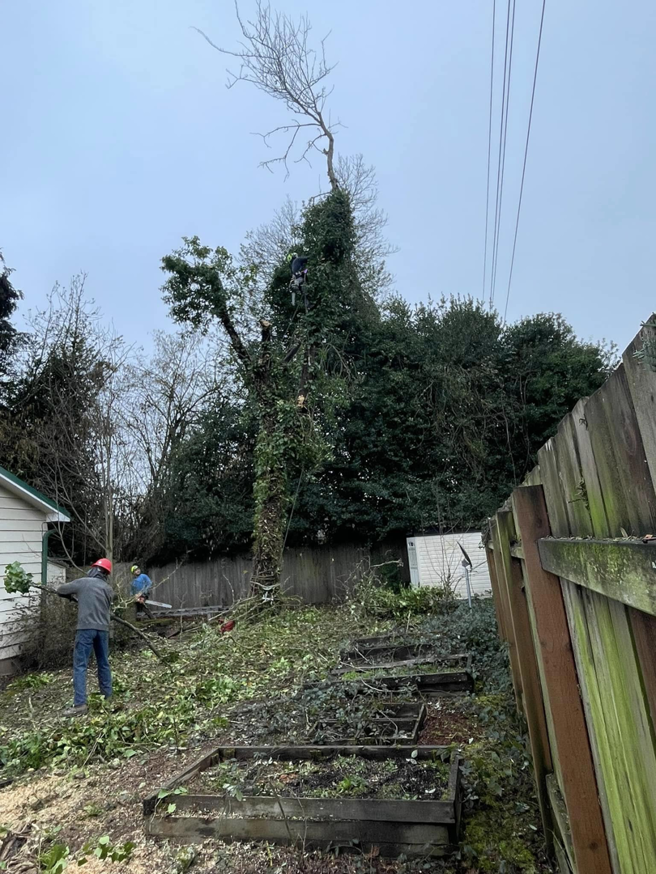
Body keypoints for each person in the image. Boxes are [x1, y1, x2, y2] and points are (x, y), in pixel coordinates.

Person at [56, 558, 115, 718]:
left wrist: (73, 596)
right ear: (106, 574)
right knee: (103, 663)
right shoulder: (108, 589)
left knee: (80, 665)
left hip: (86, 628)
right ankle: (108, 698)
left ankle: (80, 704)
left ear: (94, 569)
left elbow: (61, 590)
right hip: (102, 629)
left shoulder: (83, 582)